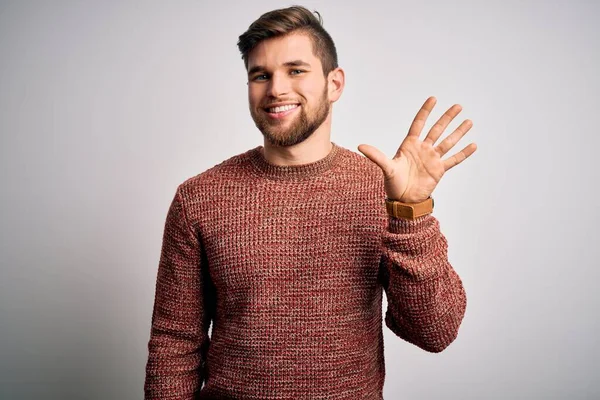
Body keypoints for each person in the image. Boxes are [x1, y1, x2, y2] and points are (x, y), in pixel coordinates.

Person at [144, 5, 476, 400]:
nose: (276, 89)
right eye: (260, 75)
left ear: (334, 83)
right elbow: (174, 344)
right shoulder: (199, 197)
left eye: (295, 70)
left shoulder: (380, 190)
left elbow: (435, 331)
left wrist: (411, 213)